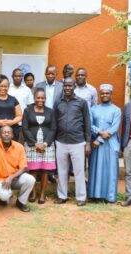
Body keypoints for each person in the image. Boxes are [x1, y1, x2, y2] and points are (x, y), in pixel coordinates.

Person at [54, 78, 91, 206]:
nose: (67, 88)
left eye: (70, 86)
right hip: (61, 141)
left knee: (79, 171)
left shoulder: (82, 103)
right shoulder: (58, 102)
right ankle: (62, 195)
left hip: (78, 141)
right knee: (62, 170)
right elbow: (54, 122)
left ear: (74, 86)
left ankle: (81, 197)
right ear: (63, 87)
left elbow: (87, 123)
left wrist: (88, 142)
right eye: (65, 86)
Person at [0, 126, 36, 212]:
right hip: (0, 178)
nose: (7, 134)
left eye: (9, 132)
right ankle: (5, 195)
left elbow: (23, 167)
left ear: (12, 135)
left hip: (15, 178)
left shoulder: (19, 147)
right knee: (4, 197)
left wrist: (11, 177)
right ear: (0, 135)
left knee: (30, 179)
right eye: (4, 132)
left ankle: (21, 201)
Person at [88, 84, 122, 204]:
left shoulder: (116, 110)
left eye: (107, 93)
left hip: (110, 143)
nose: (105, 95)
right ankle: (94, 194)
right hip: (95, 143)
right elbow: (90, 125)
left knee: (111, 170)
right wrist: (99, 133)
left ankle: (110, 197)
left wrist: (100, 139)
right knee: (96, 168)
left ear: (111, 94)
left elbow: (114, 128)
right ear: (100, 94)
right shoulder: (93, 109)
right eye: (102, 93)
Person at [22, 88, 56, 204]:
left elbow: (53, 129)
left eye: (42, 98)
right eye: (38, 97)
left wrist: (45, 143)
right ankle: (33, 193)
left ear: (45, 99)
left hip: (47, 144)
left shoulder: (51, 111)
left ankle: (42, 194)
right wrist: (34, 143)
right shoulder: (27, 111)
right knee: (33, 169)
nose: (40, 100)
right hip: (32, 144)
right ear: (34, 98)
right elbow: (25, 128)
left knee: (45, 170)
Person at [8, 68, 34, 142]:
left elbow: (30, 106)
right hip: (9, 122)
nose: (18, 77)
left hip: (22, 123)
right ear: (12, 76)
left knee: (20, 145)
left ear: (22, 77)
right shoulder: (8, 88)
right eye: (16, 76)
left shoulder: (27, 90)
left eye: (20, 76)